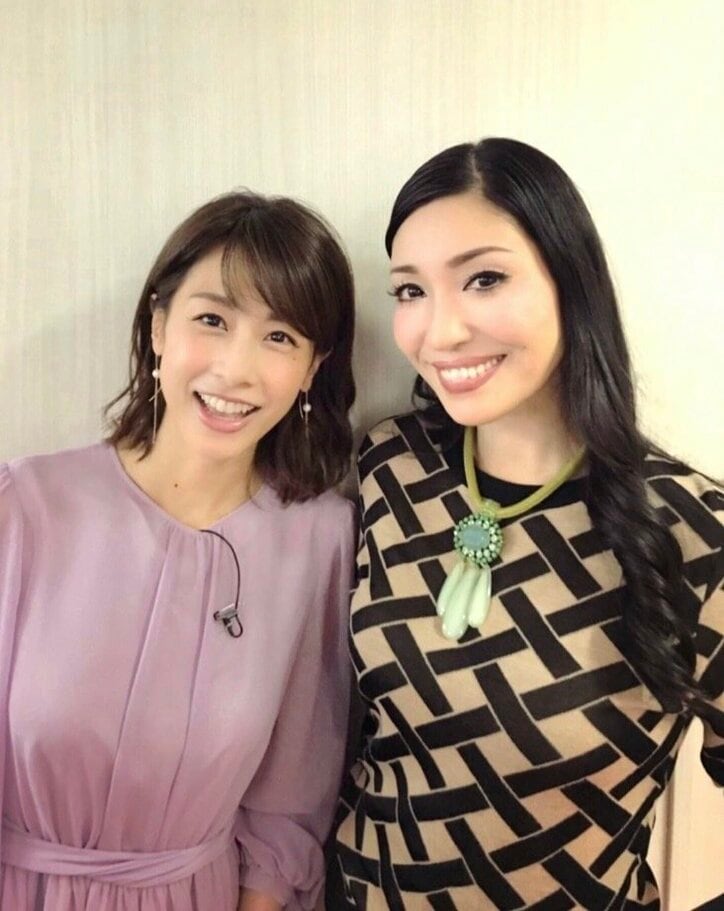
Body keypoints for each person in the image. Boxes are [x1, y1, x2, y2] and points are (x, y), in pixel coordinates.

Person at [330, 138, 723, 910]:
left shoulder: (693, 534)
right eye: (409, 290)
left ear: (571, 282)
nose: (439, 333)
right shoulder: (390, 464)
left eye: (484, 279)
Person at [0, 191, 357, 911]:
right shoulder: (25, 505)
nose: (236, 370)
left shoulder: (318, 540)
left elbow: (289, 808)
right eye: (212, 320)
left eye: (279, 336)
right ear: (158, 325)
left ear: (312, 367)